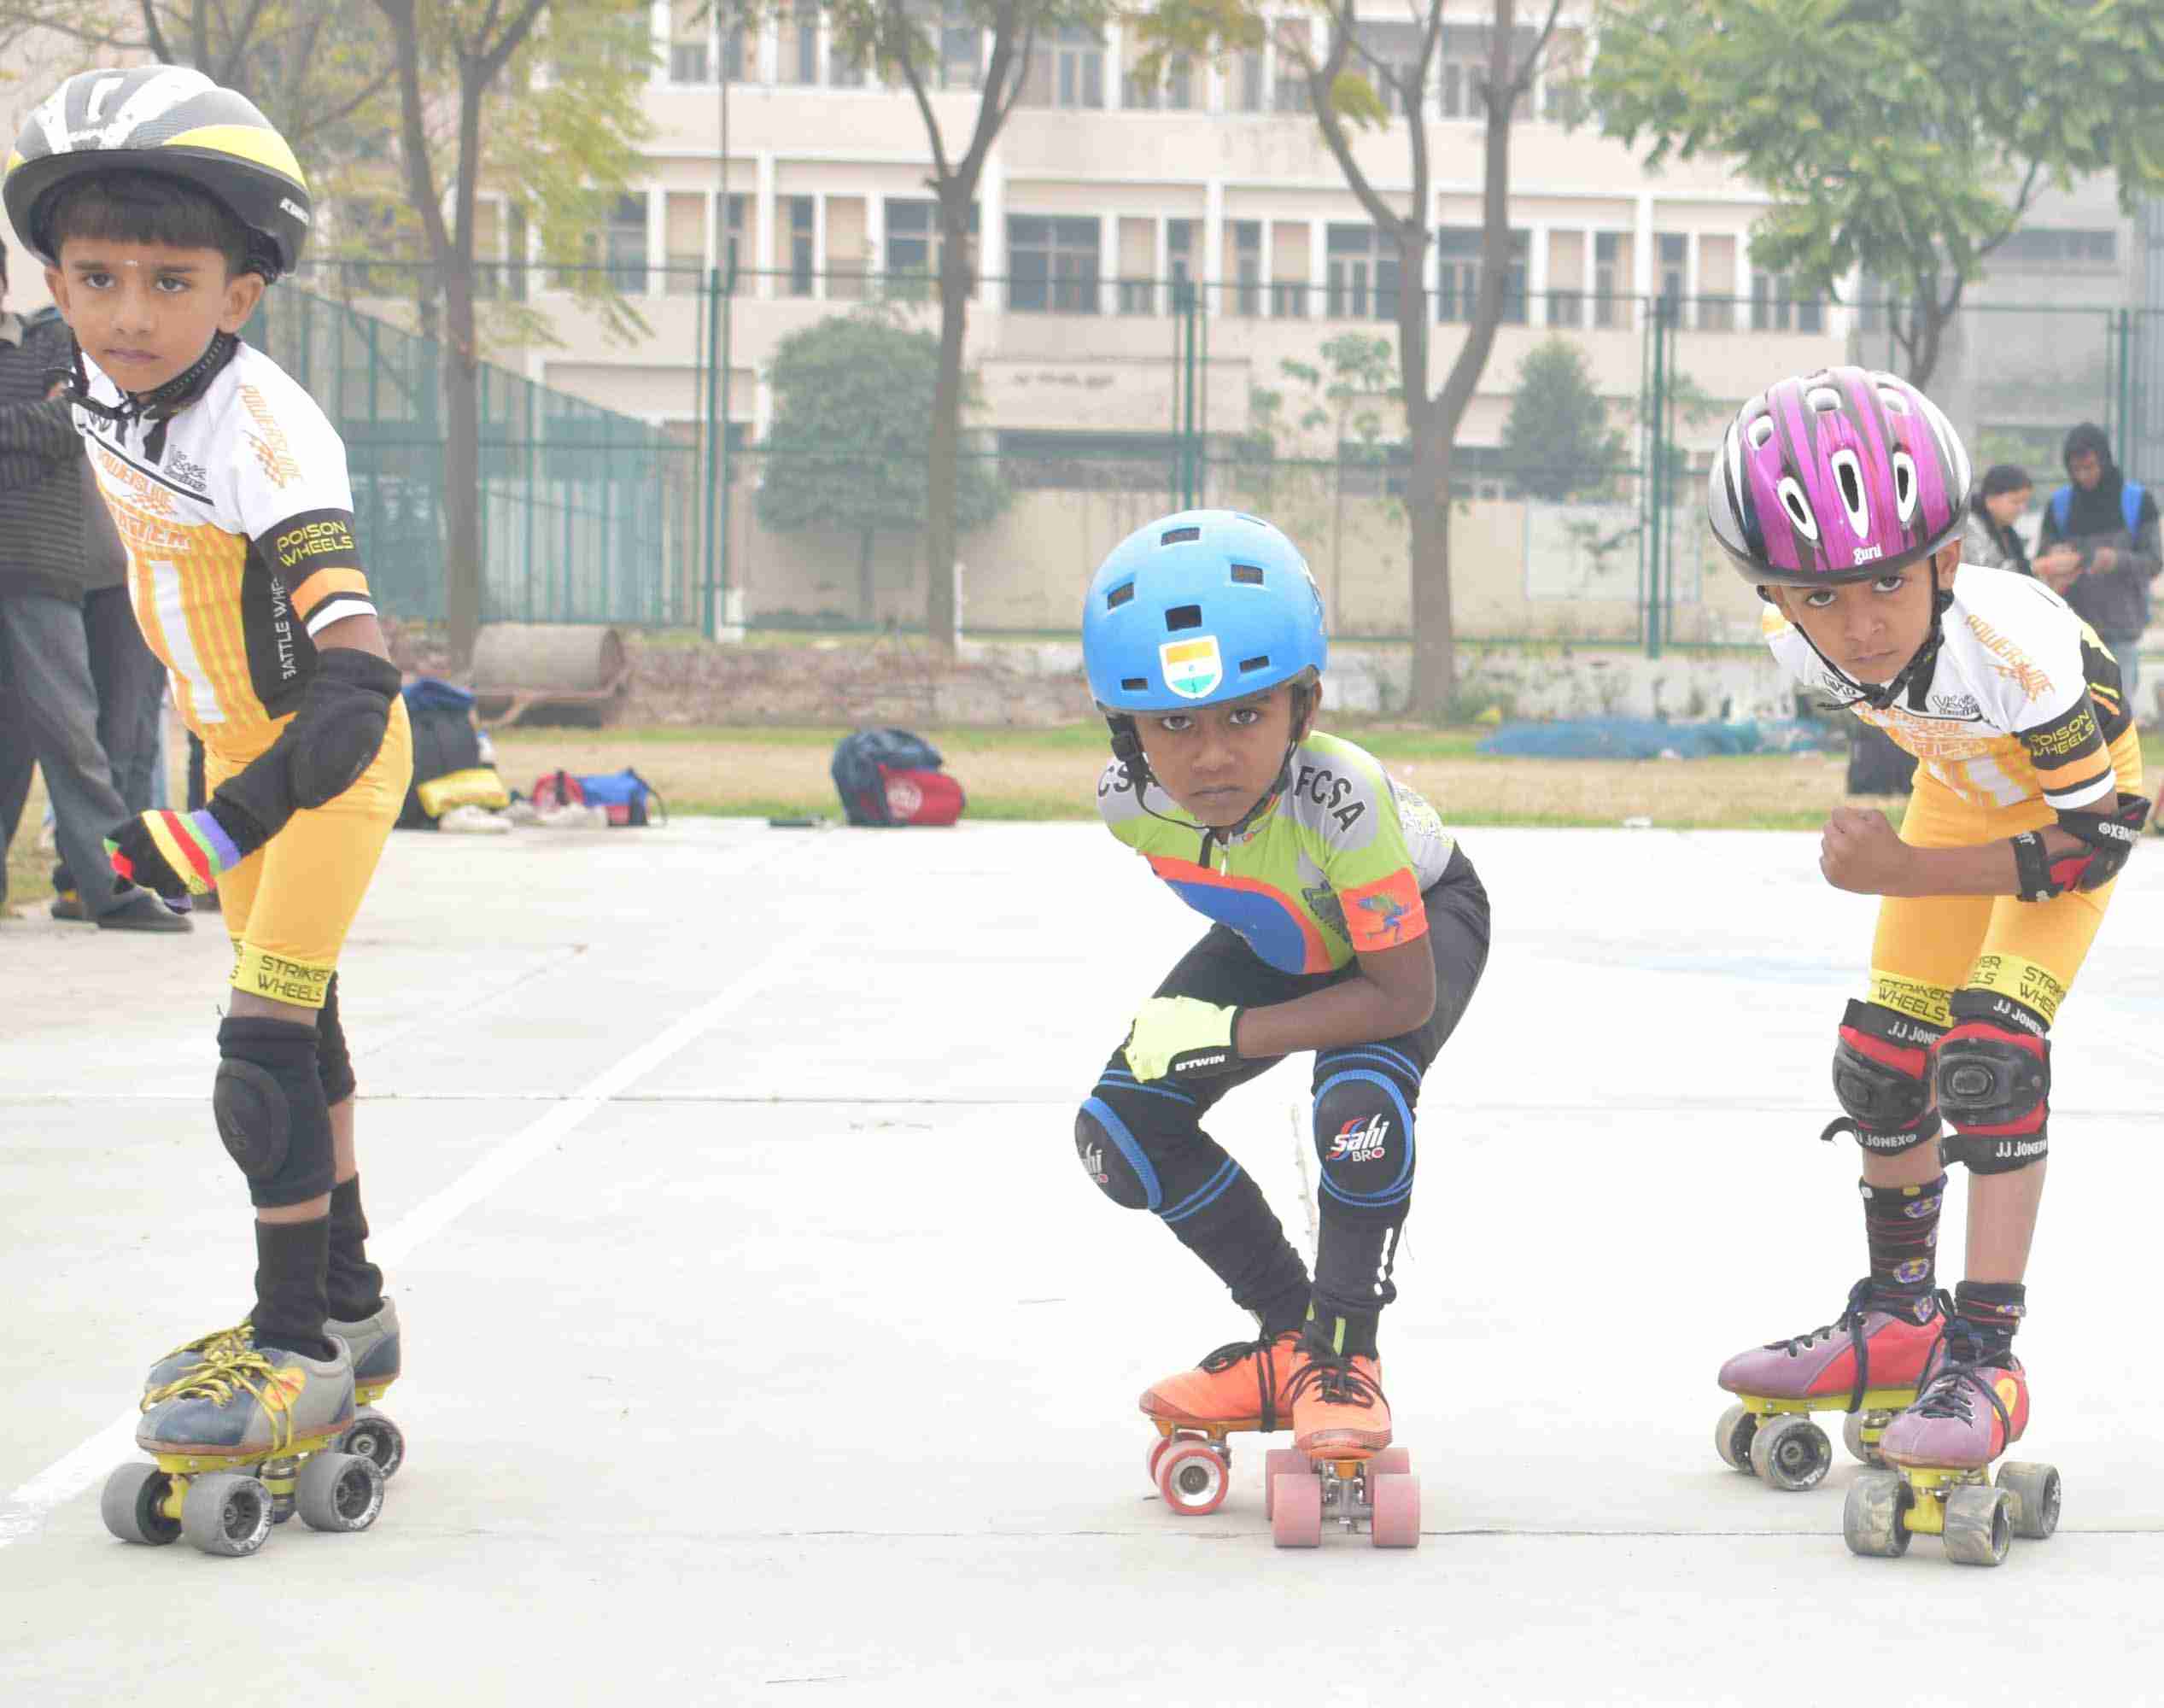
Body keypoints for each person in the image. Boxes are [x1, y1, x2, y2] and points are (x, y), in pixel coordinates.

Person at [3, 67, 414, 1488]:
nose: (127, 314)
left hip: (320, 768)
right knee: (310, 1042)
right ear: (53, 277)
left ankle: (289, 1340)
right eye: (94, 276)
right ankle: (350, 1306)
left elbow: (362, 681)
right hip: (234, 759)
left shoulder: (267, 436)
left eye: (170, 282)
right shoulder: (74, 367)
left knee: (260, 1044)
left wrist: (220, 821)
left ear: (238, 295)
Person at [1705, 367, 2144, 1498]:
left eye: (1888, 583)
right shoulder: (1795, 638)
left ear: (1947, 560)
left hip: (2066, 810)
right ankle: (1900, 1322)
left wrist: (1901, 866)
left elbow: (2094, 842)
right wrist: (1913, 851)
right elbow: (1917, 728)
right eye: (1816, 596)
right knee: (1879, 1066)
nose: (1857, 625)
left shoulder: (2014, 649)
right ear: (1771, 589)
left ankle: (1984, 1358)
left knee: (1989, 1059)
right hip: (1960, 790)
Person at [1074, 507, 1490, 1483]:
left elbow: (1394, 993)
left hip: (1413, 927)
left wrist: (1230, 1029)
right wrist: (1221, 1022)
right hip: (1285, 931)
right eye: (1173, 723)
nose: (1210, 756)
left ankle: (1344, 1356)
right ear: (1125, 730)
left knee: (1358, 1106)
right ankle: (1287, 1341)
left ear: (1302, 708)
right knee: (1119, 1134)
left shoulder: (1343, 800)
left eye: (1243, 715)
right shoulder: (1126, 804)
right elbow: (1257, 898)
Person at [0, 239, 184, 929]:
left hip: (41, 569)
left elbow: (66, 425)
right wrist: (30, 438)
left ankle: (110, 885)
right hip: (40, 557)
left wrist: (37, 434)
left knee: (74, 734)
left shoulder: (52, 346)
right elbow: (41, 433)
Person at [2034, 422, 2159, 716]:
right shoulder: (2060, 505)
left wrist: (2115, 560)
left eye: (2090, 467)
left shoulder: (2137, 502)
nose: (2084, 476)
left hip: (2122, 628)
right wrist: (2055, 559)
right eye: (2076, 469)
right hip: (2071, 630)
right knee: (2076, 717)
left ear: (2104, 460)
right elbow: (2042, 559)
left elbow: (2154, 561)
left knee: (2117, 715)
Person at [1961, 465, 2033, 577]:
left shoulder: (2007, 532)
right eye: (2016, 502)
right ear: (1990, 500)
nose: (2022, 509)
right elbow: (1982, 574)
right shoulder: (1970, 527)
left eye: (2025, 502)